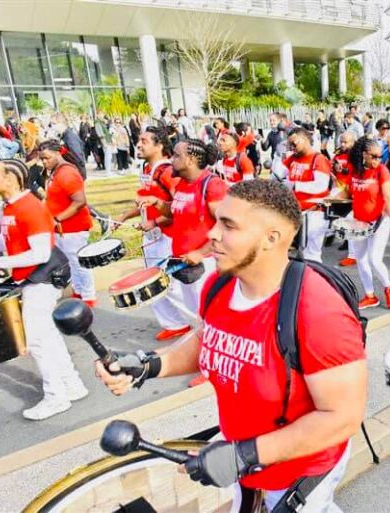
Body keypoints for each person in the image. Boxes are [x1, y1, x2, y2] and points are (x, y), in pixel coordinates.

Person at [95, 179, 366, 513]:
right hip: (244, 456)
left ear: (272, 238)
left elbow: (342, 418)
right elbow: (209, 338)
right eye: (216, 221)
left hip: (299, 472)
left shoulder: (319, 311)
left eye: (228, 225)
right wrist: (151, 364)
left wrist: (242, 455)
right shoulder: (220, 283)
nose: (211, 234)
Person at [0, 160, 89, 420]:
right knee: (48, 337)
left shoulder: (30, 207)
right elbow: (8, 238)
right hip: (34, 280)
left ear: (10, 179)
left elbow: (41, 252)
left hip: (42, 280)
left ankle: (56, 397)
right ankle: (72, 384)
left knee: (37, 340)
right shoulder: (12, 207)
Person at [138, 139, 227, 386]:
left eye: (176, 155)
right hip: (184, 260)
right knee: (197, 319)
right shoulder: (184, 186)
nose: (171, 159)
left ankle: (215, 368)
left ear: (190, 159)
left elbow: (225, 224)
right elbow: (176, 212)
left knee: (209, 318)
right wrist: (158, 205)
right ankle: (205, 358)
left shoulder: (213, 185)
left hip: (205, 263)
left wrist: (201, 251)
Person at [111, 127, 190, 342]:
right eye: (139, 140)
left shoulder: (166, 171)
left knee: (169, 283)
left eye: (144, 141)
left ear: (160, 145)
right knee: (152, 282)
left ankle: (200, 323)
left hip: (167, 236)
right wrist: (125, 215)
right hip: (153, 235)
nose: (139, 144)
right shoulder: (148, 168)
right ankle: (174, 324)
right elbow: (147, 202)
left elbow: (180, 205)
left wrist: (155, 221)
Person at [342, 137, 390, 310]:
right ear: (363, 155)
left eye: (380, 156)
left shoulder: (382, 171)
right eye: (373, 156)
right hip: (358, 221)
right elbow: (347, 192)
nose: (377, 160)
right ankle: (370, 295)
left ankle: (388, 286)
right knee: (361, 259)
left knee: (374, 259)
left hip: (379, 221)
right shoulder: (355, 169)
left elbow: (388, 197)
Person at [39, 140, 97, 307]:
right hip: (62, 229)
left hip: (73, 229)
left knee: (79, 263)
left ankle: (88, 296)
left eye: (47, 158)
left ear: (58, 153)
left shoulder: (67, 173)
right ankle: (78, 291)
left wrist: (57, 219)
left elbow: (79, 202)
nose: (44, 162)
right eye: (42, 159)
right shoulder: (55, 172)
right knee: (71, 263)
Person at [283, 127, 333, 263]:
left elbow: (320, 186)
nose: (292, 147)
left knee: (312, 255)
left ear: (305, 139)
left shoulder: (319, 159)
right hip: (297, 212)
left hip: (314, 212)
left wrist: (295, 185)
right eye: (290, 144)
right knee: (300, 253)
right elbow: (284, 177)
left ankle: (315, 281)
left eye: (294, 143)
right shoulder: (293, 159)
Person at [332, 131, 358, 267]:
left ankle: (353, 254)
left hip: (352, 191)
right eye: (341, 141)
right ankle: (348, 243)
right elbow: (334, 169)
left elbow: (357, 172)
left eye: (345, 142)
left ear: (353, 142)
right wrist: (335, 169)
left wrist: (344, 171)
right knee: (343, 218)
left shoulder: (356, 155)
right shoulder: (338, 154)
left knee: (350, 220)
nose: (342, 144)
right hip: (340, 189)